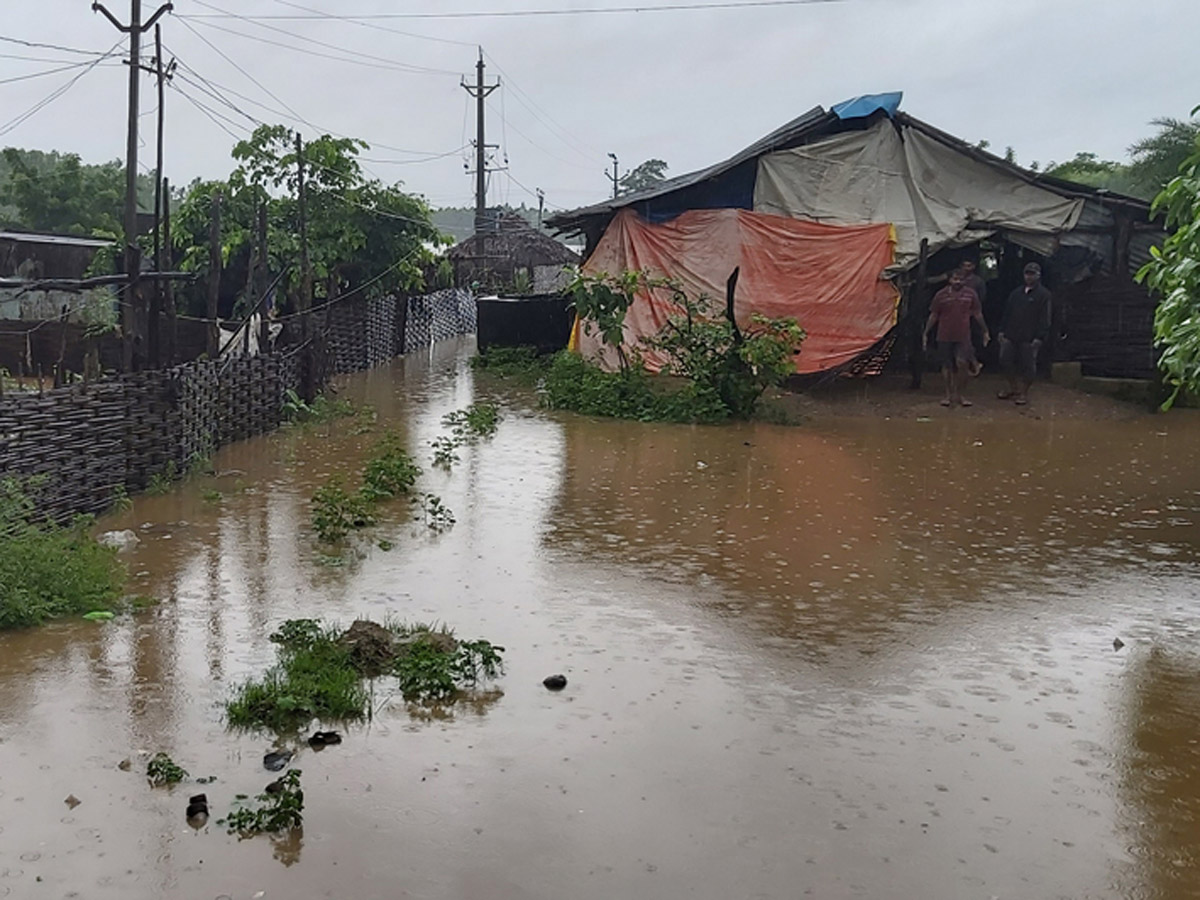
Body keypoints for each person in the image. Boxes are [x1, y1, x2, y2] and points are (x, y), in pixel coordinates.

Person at [924, 268, 989, 407]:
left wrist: (985, 330)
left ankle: (960, 394)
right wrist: (926, 332)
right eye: (955, 279)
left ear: (965, 280)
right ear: (949, 280)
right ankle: (948, 394)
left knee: (962, 364)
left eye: (961, 279)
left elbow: (978, 313)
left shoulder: (971, 294)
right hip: (944, 334)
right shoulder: (940, 295)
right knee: (947, 366)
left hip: (963, 335)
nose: (958, 282)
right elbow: (934, 315)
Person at [997, 262, 1052, 405]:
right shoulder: (1016, 293)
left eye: (1032, 274)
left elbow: (1045, 317)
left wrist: (1040, 336)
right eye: (1027, 273)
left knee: (1028, 365)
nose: (1029, 277)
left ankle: (1024, 393)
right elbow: (1007, 313)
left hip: (1030, 336)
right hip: (1011, 333)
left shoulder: (1044, 295)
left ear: (1039, 275)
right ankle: (1013, 387)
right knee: (1004, 360)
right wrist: (1002, 331)